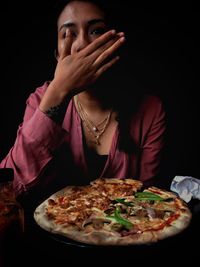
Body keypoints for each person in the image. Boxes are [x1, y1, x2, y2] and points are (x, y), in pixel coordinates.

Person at [0, 0, 166, 201]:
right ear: (56, 54)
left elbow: (147, 199)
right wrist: (60, 90)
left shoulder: (150, 108)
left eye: (96, 31)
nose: (82, 45)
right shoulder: (41, 100)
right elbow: (9, 188)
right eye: (68, 35)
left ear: (116, 44)